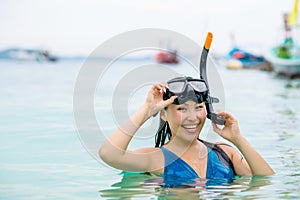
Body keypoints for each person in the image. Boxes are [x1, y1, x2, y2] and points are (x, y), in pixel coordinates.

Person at [99, 76, 274, 186]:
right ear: (164, 115)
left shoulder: (225, 153)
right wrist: (146, 109)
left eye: (198, 107)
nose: (192, 117)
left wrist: (237, 139)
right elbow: (109, 154)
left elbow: (265, 180)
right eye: (182, 109)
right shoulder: (155, 158)